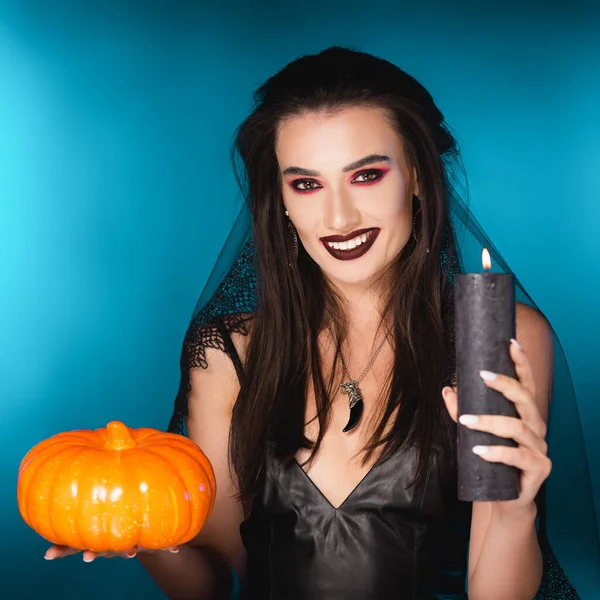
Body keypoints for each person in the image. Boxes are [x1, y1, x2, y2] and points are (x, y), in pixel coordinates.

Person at [45, 47, 596, 600]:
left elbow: (493, 591)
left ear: (420, 179)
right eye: (306, 184)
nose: (338, 218)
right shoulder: (227, 354)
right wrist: (139, 532)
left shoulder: (499, 338)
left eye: (367, 175)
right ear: (280, 200)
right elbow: (211, 584)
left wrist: (514, 509)